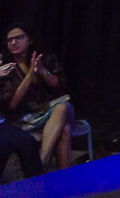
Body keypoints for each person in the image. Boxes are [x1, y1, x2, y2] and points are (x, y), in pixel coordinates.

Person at [0, 23, 72, 170]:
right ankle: (64, 183)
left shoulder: (44, 57)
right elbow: (11, 105)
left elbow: (61, 86)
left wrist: (41, 71)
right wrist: (29, 76)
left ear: (30, 39)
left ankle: (41, 159)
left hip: (48, 113)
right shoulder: (5, 67)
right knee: (65, 130)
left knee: (63, 107)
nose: (13, 42)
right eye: (10, 40)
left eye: (18, 38)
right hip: (20, 118)